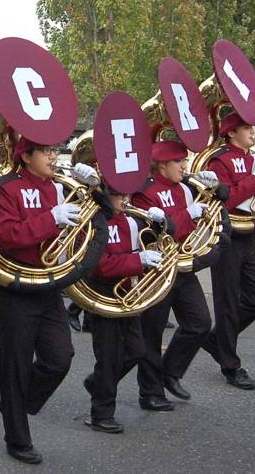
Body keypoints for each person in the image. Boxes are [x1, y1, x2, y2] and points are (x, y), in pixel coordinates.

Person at [0, 136, 86, 465]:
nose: (53, 157)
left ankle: (16, 404)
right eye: (46, 151)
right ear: (25, 156)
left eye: (54, 151)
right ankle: (17, 436)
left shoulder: (55, 187)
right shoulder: (6, 187)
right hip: (16, 287)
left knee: (60, 357)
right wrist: (51, 219)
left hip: (47, 283)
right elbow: (6, 236)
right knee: (15, 365)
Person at [131, 131, 222, 406]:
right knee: (152, 333)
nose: (185, 166)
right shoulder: (144, 193)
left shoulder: (184, 189)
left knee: (200, 324)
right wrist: (187, 216)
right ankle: (150, 392)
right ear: (161, 166)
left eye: (184, 160)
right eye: (179, 161)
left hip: (182, 267)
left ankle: (170, 372)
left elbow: (193, 228)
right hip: (156, 270)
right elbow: (154, 231)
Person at [82, 184, 160, 434]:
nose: (125, 198)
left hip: (127, 294)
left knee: (137, 350)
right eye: (118, 195)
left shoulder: (132, 221)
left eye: (125, 194)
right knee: (108, 355)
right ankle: (101, 413)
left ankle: (97, 384)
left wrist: (162, 223)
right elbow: (100, 266)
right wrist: (138, 261)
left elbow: (159, 241)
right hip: (101, 292)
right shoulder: (95, 222)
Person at [201, 109, 255, 390]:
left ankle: (217, 340)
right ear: (231, 132)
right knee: (226, 303)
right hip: (227, 237)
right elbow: (227, 199)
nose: (253, 132)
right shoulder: (219, 161)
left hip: (250, 234)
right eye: (247, 127)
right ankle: (231, 365)